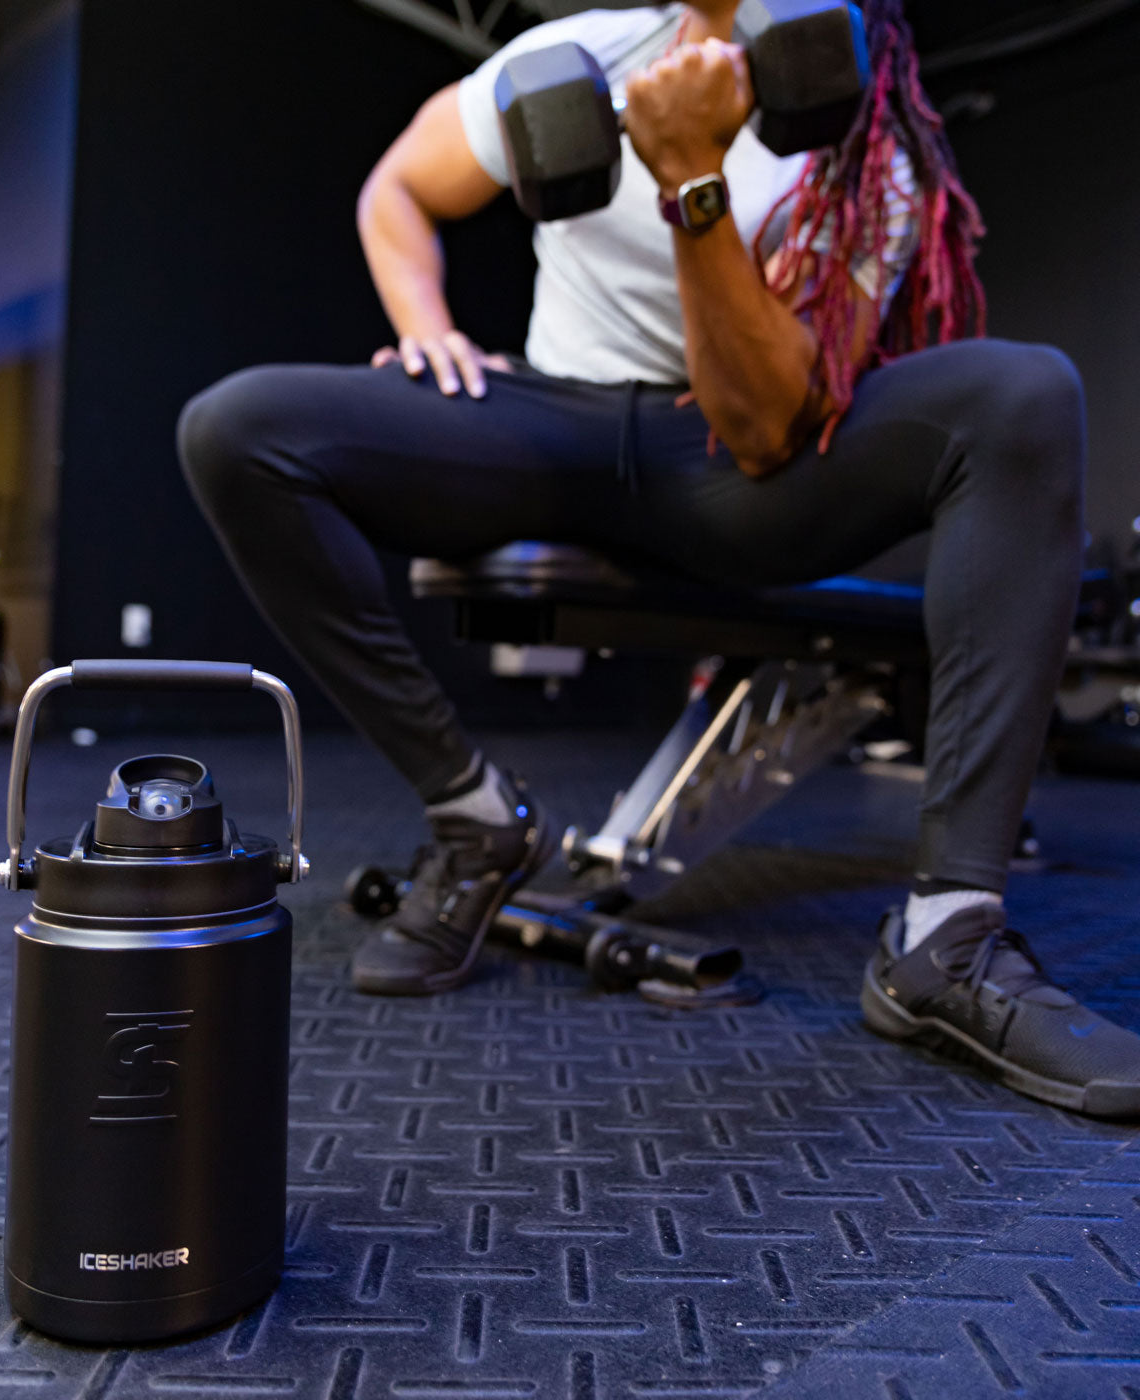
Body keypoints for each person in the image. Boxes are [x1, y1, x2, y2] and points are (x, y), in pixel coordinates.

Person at [177, 0, 1140, 1117]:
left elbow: (770, 421)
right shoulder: (575, 53)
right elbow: (398, 185)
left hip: (728, 464)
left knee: (1022, 393)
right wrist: (423, 318)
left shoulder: (866, 131)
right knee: (237, 428)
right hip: (547, 421)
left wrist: (692, 171)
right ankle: (475, 812)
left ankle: (946, 942)